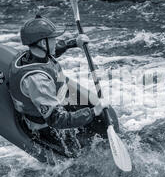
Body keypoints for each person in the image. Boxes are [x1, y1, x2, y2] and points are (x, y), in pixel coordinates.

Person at [8, 14, 109, 160]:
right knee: (82, 156)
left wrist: (74, 43)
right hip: (46, 126)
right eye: (53, 39)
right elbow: (57, 120)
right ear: (43, 43)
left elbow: (54, 51)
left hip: (58, 101)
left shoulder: (31, 54)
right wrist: (93, 111)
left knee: (100, 124)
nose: (56, 41)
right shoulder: (38, 80)